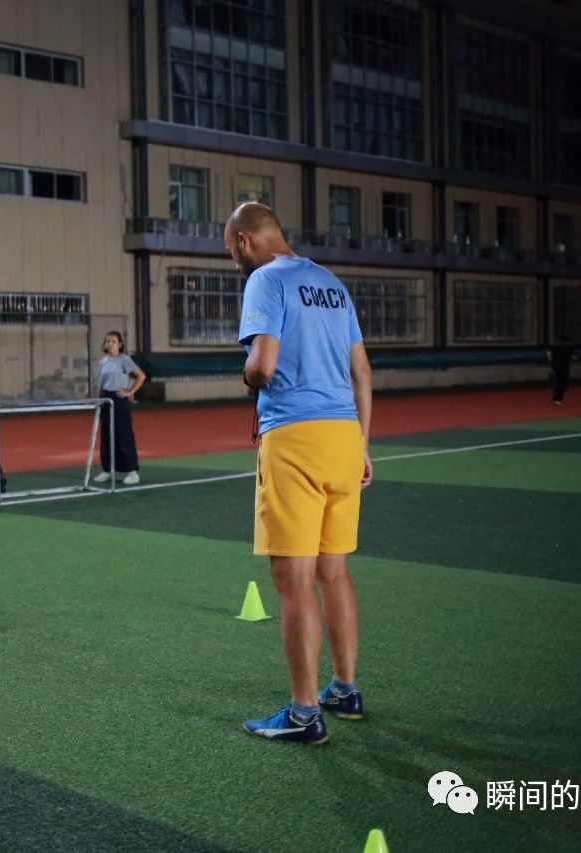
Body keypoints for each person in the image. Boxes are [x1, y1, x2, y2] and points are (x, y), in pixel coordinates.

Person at [226, 202, 374, 745]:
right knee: (334, 571)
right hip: (343, 438)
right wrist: (362, 445)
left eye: (231, 250)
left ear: (246, 241)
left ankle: (304, 713)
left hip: (295, 438)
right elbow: (362, 372)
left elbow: (263, 365)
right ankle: (345, 690)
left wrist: (246, 375)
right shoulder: (331, 283)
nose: (235, 260)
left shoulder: (265, 280)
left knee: (292, 582)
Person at [94, 330, 146, 486]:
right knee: (106, 436)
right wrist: (99, 399)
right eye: (107, 341)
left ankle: (132, 472)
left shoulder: (124, 360)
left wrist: (130, 391)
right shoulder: (103, 361)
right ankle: (107, 470)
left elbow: (141, 376)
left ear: (120, 344)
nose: (110, 344)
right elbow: (102, 383)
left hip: (119, 399)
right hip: (105, 399)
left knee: (123, 434)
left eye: (113, 341)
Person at [547, 338, 576, 405]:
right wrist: (574, 362)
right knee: (564, 383)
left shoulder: (555, 347)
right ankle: (558, 399)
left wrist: (550, 363)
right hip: (564, 367)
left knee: (559, 381)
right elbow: (574, 357)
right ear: (568, 342)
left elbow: (548, 354)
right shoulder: (570, 348)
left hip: (555, 367)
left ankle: (556, 392)